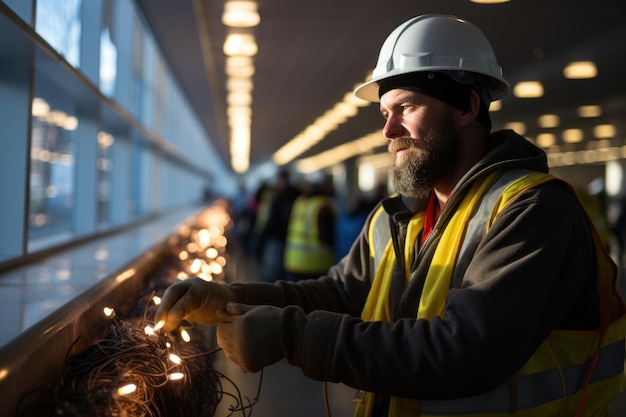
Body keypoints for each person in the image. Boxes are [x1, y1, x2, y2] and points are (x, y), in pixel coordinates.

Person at [155, 14, 626, 417]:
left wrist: (290, 334)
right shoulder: (396, 219)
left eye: (405, 107)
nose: (388, 130)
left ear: (468, 105)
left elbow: (465, 351)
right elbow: (339, 292)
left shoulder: (533, 212)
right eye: (384, 112)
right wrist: (230, 295)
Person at [283, 180, 337, 281]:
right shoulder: (323, 206)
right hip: (317, 264)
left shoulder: (299, 202)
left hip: (293, 262)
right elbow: (329, 237)